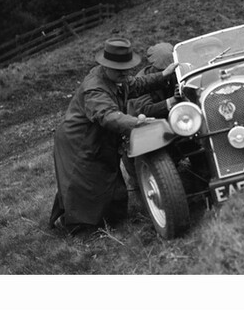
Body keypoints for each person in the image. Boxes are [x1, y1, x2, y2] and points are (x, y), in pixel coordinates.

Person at [49, 38, 178, 235]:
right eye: (120, 70)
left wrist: (163, 75)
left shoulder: (116, 78)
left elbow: (136, 84)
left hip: (99, 140)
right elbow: (107, 116)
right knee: (83, 186)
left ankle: (106, 221)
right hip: (79, 143)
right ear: (105, 66)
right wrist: (136, 123)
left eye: (127, 69)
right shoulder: (95, 88)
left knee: (109, 188)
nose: (125, 74)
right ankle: (73, 226)